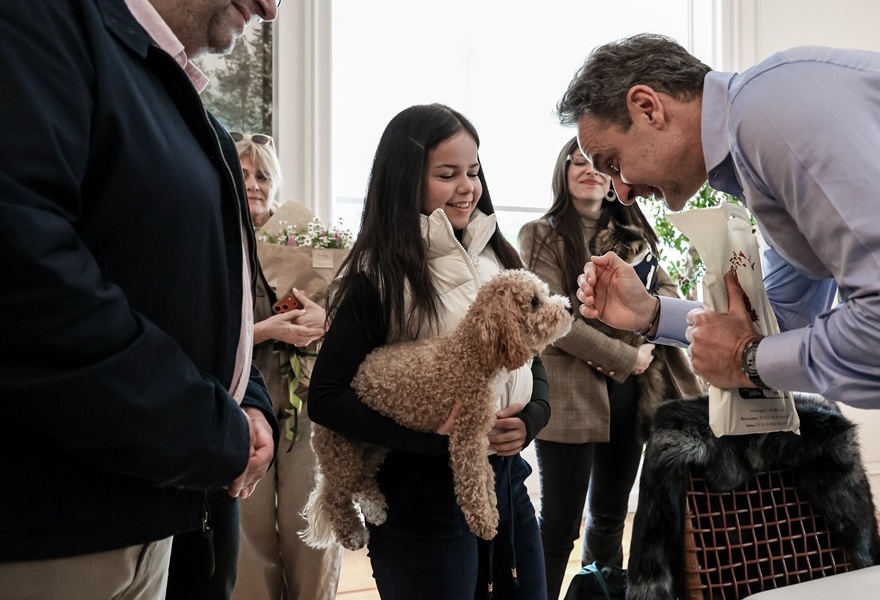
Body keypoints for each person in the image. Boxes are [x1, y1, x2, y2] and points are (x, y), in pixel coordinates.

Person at [557, 33, 880, 599]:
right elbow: (785, 317)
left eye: (613, 163)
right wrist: (654, 313)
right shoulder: (763, 137)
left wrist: (748, 359)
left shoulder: (778, 114)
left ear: (648, 106)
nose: (623, 192)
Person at [0, 1, 281, 600]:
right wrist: (213, 429)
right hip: (57, 530)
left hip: (154, 513)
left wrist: (248, 400)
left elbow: (209, 289)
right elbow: (30, 284)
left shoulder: (170, 91)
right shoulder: (39, 24)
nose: (271, 9)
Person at [307, 103, 549, 600]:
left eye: (474, 171)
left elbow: (532, 359)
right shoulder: (378, 278)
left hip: (505, 483)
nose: (467, 187)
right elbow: (327, 396)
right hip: (420, 498)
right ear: (405, 178)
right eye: (447, 174)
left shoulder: (497, 256)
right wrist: (428, 441)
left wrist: (533, 419)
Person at [517, 138, 701, 598]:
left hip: (634, 395)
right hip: (570, 395)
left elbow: (666, 293)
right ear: (562, 172)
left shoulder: (635, 231)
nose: (589, 170)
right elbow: (553, 321)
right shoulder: (539, 235)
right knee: (558, 525)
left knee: (610, 516)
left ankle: (597, 594)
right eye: (576, 161)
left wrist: (659, 319)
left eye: (597, 164)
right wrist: (627, 356)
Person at [230, 132, 343, 600]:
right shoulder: (214, 238)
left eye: (263, 175)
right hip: (240, 395)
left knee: (310, 516)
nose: (254, 184)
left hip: (307, 398)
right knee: (246, 527)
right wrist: (269, 331)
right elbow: (206, 333)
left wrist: (325, 316)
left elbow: (348, 319)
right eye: (244, 173)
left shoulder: (303, 240)